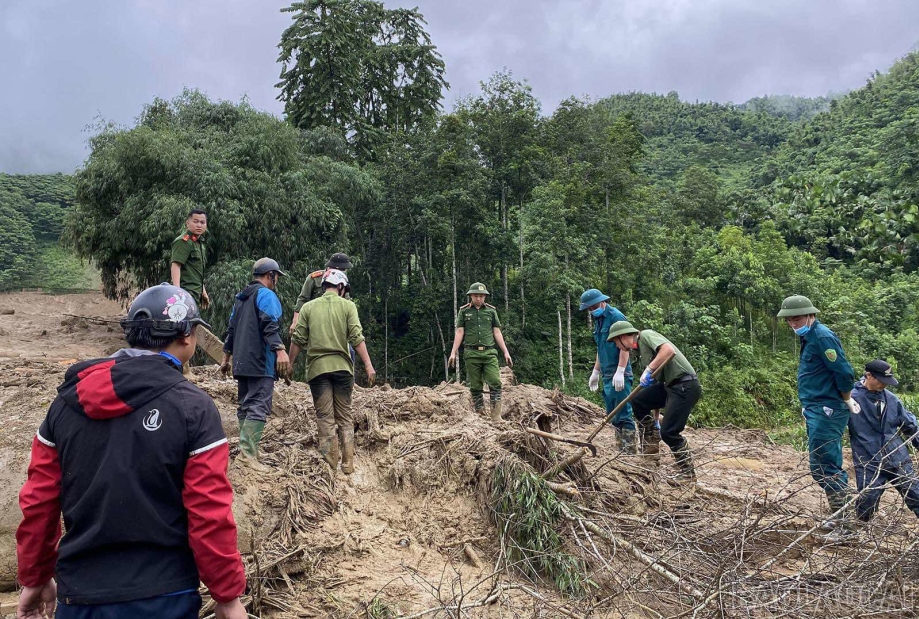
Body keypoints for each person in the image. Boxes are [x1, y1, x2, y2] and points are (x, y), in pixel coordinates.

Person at [16, 283, 246, 619]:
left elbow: (38, 503)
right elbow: (209, 513)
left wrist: (34, 578)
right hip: (166, 596)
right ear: (186, 336)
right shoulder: (194, 408)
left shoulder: (63, 406)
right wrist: (227, 597)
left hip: (80, 597)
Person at [777, 295, 859, 532]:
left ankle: (846, 527)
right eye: (790, 321)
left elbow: (843, 372)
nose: (793, 324)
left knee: (826, 464)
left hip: (828, 410)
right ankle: (840, 516)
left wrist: (846, 398)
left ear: (810, 315)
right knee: (820, 465)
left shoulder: (822, 337)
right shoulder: (810, 336)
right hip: (817, 407)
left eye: (797, 319)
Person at [289, 269, 375, 474]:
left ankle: (330, 464)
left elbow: (298, 339)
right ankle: (348, 464)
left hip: (318, 370)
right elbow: (356, 337)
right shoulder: (348, 306)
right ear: (341, 287)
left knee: (325, 417)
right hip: (343, 370)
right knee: (344, 416)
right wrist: (368, 366)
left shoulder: (308, 308)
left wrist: (289, 364)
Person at [220, 258, 290, 470]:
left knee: (246, 405)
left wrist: (226, 359)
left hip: (241, 362)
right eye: (276, 276)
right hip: (260, 361)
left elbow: (231, 330)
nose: (276, 280)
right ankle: (248, 456)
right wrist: (280, 351)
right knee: (259, 405)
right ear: (270, 275)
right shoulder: (266, 295)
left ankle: (247, 452)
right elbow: (270, 325)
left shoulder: (240, 298)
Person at [607, 321, 701, 480]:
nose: (617, 346)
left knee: (669, 432)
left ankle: (688, 474)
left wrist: (649, 370)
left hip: (685, 386)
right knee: (639, 400)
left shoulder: (646, 335)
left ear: (623, 336)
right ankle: (651, 444)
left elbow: (668, 350)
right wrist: (655, 420)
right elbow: (657, 386)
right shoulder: (641, 352)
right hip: (669, 386)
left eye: (616, 342)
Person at [848, 359, 919, 522]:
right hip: (868, 459)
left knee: (915, 492)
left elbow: (911, 426)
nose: (885, 385)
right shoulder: (850, 398)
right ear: (868, 375)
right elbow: (835, 425)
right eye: (882, 381)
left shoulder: (892, 400)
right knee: (867, 499)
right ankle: (862, 528)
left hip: (897, 457)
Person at [579, 288, 636, 453]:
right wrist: (595, 372)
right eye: (589, 308)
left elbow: (627, 345)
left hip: (620, 374)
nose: (592, 310)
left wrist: (620, 370)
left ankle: (629, 452)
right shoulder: (599, 321)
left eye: (593, 306)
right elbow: (600, 347)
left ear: (602, 302)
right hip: (607, 374)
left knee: (623, 412)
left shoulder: (616, 317)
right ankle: (620, 450)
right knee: (613, 414)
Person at [448, 283, 513, 422]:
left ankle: (496, 416)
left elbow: (497, 332)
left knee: (495, 382)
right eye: (476, 295)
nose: (478, 298)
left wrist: (506, 352)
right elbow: (460, 332)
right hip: (471, 354)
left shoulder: (491, 311)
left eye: (481, 296)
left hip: (489, 353)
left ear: (485, 297)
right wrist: (453, 352)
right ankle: (480, 414)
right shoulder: (464, 312)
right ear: (471, 296)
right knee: (475, 385)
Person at [289, 252, 353, 333]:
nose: (343, 272)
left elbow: (347, 302)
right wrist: (295, 321)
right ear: (335, 268)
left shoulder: (342, 280)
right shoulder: (315, 278)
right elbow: (303, 299)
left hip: (336, 322)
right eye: (342, 269)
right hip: (314, 321)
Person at [170, 209, 210, 309]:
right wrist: (177, 292)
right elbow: (175, 266)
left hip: (196, 293)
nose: (199, 225)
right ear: (188, 223)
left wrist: (203, 291)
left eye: (202, 222)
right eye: (195, 222)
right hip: (185, 292)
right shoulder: (184, 241)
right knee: (185, 323)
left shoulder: (199, 243)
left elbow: (196, 271)